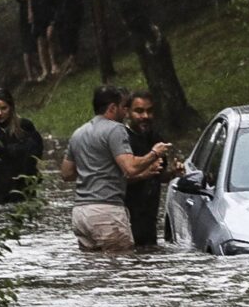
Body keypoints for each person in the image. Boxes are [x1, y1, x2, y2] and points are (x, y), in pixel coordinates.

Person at [61, 85, 171, 252]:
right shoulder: (115, 129)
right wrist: (154, 153)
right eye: (123, 107)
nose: (125, 112)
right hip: (106, 211)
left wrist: (95, 169)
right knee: (121, 269)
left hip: (80, 213)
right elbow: (130, 168)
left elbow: (66, 173)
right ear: (113, 108)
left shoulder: (79, 132)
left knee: (93, 272)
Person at [124, 91, 183, 246]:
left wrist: (173, 173)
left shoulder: (156, 138)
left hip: (149, 218)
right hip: (124, 217)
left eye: (149, 111)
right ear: (127, 112)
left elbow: (159, 175)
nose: (145, 116)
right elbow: (114, 180)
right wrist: (143, 174)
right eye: (139, 111)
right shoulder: (122, 140)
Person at [49, 0, 85, 75]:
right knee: (65, 38)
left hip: (70, 14)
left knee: (70, 37)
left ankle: (73, 62)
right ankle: (72, 61)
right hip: (63, 15)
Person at [13, 0, 38, 82]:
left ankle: (36, 69)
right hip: (25, 15)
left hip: (39, 12)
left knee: (36, 42)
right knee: (27, 44)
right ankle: (30, 73)